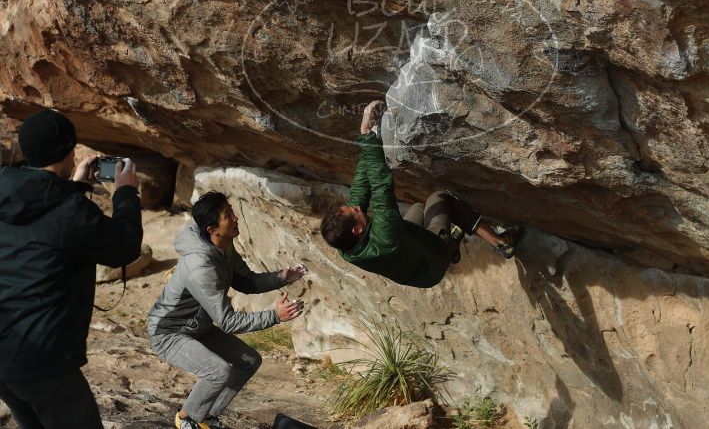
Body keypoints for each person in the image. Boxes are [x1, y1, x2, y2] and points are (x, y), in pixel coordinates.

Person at [0, 109, 142, 429]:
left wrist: (75, 186)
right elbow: (124, 247)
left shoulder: (7, 190)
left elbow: (43, 222)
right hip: (44, 361)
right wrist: (125, 193)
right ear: (69, 151)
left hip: (6, 355)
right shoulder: (68, 210)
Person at [148, 191, 307, 429]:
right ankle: (185, 419)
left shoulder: (223, 247)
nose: (235, 218)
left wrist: (281, 277)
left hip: (197, 328)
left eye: (231, 211)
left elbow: (247, 281)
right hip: (168, 333)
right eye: (227, 215)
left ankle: (205, 417)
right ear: (213, 229)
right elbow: (228, 322)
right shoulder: (200, 267)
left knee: (249, 360)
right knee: (218, 372)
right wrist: (274, 316)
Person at [320, 100, 518, 289]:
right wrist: (365, 133)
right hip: (433, 265)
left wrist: (370, 137)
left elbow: (361, 187)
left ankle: (451, 241)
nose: (356, 207)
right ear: (356, 229)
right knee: (439, 199)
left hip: (412, 263)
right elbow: (381, 186)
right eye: (354, 211)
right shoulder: (384, 235)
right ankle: (500, 243)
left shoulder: (344, 243)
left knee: (418, 208)